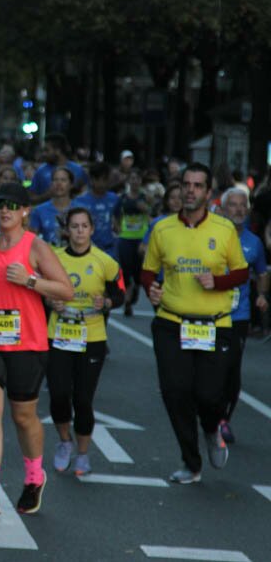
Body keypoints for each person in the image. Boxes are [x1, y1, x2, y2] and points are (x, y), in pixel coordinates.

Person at [0, 182, 73, 515]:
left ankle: (35, 478)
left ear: (25, 211)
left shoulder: (35, 247)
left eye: (12, 205)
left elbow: (65, 290)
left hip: (28, 343)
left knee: (23, 417)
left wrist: (31, 280)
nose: (5, 210)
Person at [141, 163, 248, 484]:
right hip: (172, 322)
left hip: (215, 324)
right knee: (175, 393)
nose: (190, 190)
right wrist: (151, 288)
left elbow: (241, 273)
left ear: (208, 192)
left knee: (210, 395)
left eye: (198, 186)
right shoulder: (162, 229)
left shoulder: (224, 229)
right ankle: (191, 463)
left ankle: (212, 427)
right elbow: (148, 270)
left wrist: (218, 281)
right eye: (186, 184)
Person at [45, 208, 124, 476]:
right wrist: (49, 299)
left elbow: (120, 293)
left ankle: (82, 454)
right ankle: (64, 441)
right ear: (67, 230)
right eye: (74, 226)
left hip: (92, 336)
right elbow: (40, 288)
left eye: (84, 226)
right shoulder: (53, 258)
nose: (79, 231)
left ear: (91, 229)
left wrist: (108, 302)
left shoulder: (105, 261)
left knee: (82, 398)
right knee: (57, 394)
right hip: (58, 333)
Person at [216, 188, 268, 444]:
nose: (237, 209)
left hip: (239, 315)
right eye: (232, 205)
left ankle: (223, 419)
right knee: (209, 367)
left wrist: (262, 295)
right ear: (223, 209)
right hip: (209, 314)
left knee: (232, 368)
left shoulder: (254, 242)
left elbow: (262, 272)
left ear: (247, 210)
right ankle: (208, 412)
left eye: (241, 205)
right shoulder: (211, 237)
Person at [115, 169, 150, 315]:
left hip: (140, 240)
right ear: (128, 181)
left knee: (138, 273)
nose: (135, 181)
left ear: (140, 181)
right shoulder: (122, 198)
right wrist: (118, 229)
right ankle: (127, 301)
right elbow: (115, 215)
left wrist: (146, 209)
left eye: (137, 179)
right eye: (132, 178)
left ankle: (134, 291)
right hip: (125, 239)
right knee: (125, 270)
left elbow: (153, 213)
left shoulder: (145, 197)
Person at [72, 162, 120, 259]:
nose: (102, 184)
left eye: (105, 180)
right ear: (92, 180)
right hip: (86, 251)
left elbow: (119, 220)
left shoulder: (115, 199)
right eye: (99, 180)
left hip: (109, 250)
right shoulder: (79, 201)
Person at [29, 133, 88, 204]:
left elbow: (87, 195)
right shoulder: (41, 171)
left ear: (58, 151)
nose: (44, 154)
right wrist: (46, 195)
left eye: (47, 150)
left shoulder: (78, 170)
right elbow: (31, 199)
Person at [28, 167, 73, 247]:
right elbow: (31, 242)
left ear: (71, 184)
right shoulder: (39, 211)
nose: (59, 184)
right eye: (55, 180)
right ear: (51, 184)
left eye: (63, 180)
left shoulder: (81, 209)